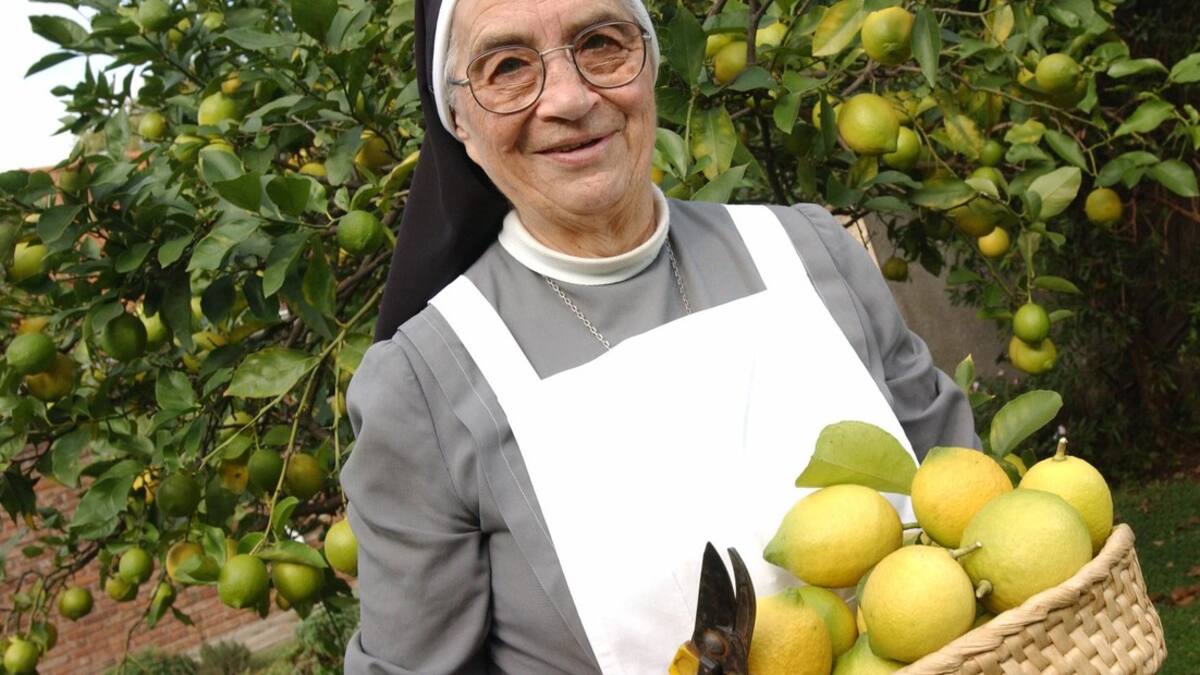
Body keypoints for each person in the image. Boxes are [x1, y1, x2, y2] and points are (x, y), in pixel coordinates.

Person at [341, 0, 979, 671]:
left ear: (648, 62)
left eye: (601, 43)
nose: (569, 96)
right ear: (458, 121)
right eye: (507, 66)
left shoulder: (813, 254)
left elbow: (977, 509)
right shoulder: (425, 384)